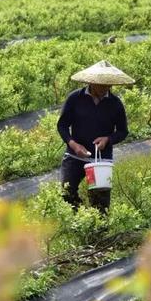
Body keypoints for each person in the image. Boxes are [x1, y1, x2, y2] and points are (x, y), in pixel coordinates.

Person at [57, 60, 134, 213]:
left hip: (101, 160)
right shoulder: (75, 98)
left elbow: (123, 131)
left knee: (100, 203)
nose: (106, 88)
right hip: (75, 156)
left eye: (109, 85)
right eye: (102, 84)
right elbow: (62, 125)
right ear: (91, 82)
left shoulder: (115, 103)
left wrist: (108, 139)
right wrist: (74, 145)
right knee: (66, 192)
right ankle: (79, 219)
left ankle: (97, 231)